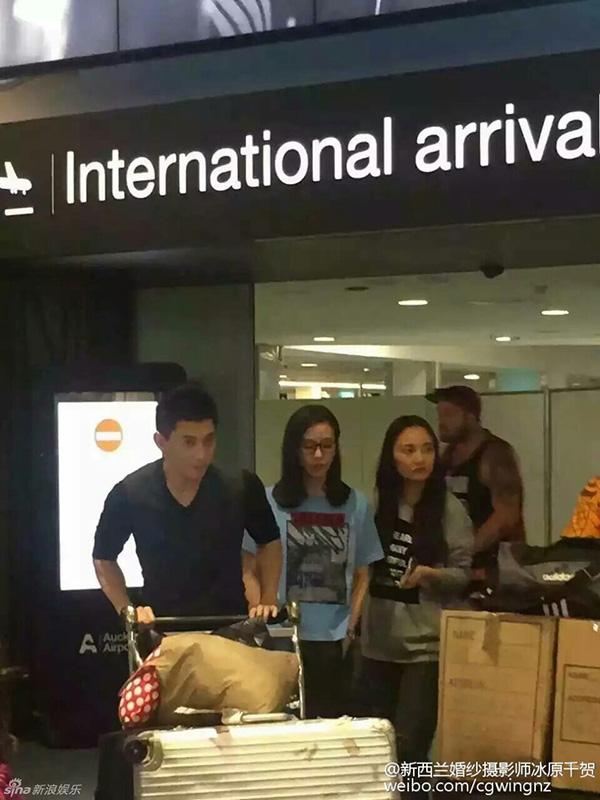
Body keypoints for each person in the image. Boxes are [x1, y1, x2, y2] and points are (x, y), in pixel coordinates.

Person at [93, 382, 282, 625]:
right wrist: (127, 609)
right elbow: (103, 557)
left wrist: (268, 597)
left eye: (208, 440)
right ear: (161, 442)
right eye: (189, 442)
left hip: (230, 625)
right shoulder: (130, 494)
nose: (201, 454)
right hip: (162, 627)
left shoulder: (241, 486)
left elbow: (269, 540)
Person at [242, 405, 383, 718]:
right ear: (294, 449)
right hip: (281, 636)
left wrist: (351, 628)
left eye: (327, 446)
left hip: (334, 642)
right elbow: (248, 567)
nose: (319, 455)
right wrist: (259, 612)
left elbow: (364, 573)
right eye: (310, 446)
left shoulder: (356, 504)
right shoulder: (268, 501)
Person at [359, 416, 472, 776]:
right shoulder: (377, 504)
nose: (419, 459)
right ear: (391, 457)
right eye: (408, 450)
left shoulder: (448, 509)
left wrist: (429, 575)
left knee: (410, 747)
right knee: (377, 748)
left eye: (427, 450)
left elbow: (463, 574)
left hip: (425, 647)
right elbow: (360, 571)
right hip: (377, 643)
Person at [428, 385, 524, 583]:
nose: (441, 422)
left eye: (449, 415)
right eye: (439, 415)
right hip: (458, 566)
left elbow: (507, 515)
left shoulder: (495, 455)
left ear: (470, 416)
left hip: (493, 568)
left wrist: (466, 550)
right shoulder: (446, 456)